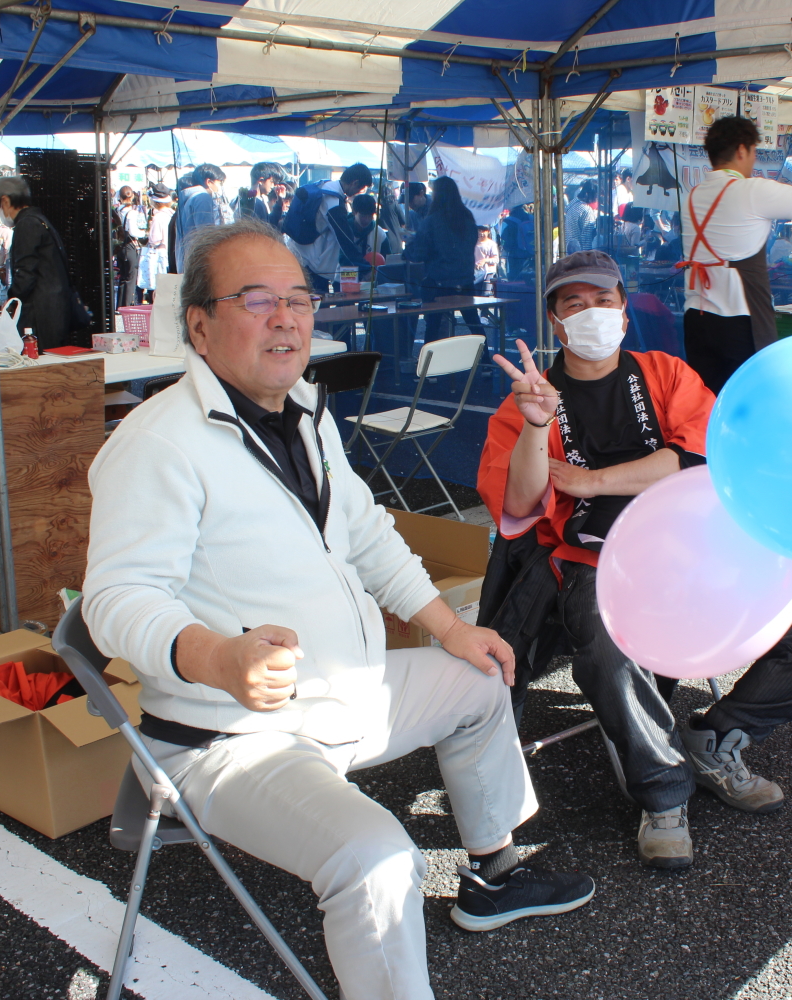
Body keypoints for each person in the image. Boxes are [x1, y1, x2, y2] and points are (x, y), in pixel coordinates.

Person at [82, 219, 595, 999]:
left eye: (299, 299)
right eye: (257, 301)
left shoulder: (307, 412)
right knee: (378, 859)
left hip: (342, 693)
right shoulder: (159, 443)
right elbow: (116, 599)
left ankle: (493, 874)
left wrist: (452, 628)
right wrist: (219, 657)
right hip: (233, 737)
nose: (286, 319)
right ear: (200, 325)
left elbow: (367, 532)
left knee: (483, 676)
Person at [477, 250, 792, 870]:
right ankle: (663, 794)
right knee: (607, 648)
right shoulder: (526, 402)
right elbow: (517, 504)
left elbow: (693, 457)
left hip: (699, 549)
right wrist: (535, 427)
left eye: (603, 301)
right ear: (555, 321)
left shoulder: (664, 373)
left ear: (624, 310)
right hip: (597, 563)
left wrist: (592, 481)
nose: (592, 313)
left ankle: (714, 738)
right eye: (574, 304)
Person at [678, 115, 792, 393]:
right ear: (742, 150)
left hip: (697, 317)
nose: (753, 160)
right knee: (751, 396)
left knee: (707, 400)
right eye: (754, 151)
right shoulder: (751, 190)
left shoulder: (693, 196)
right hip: (740, 318)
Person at [0, 175, 90, 351]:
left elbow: (25, 272)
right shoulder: (39, 220)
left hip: (41, 312)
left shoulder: (27, 224)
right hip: (54, 309)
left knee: (41, 358)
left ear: (5, 201)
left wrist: (11, 301)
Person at [403, 176, 486, 342]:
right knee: (474, 322)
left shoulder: (432, 220)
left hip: (438, 283)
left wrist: (408, 248)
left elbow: (419, 253)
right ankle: (485, 356)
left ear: (437, 195)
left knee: (432, 325)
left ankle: (429, 357)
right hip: (466, 280)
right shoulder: (467, 216)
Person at [285, 162, 372, 295]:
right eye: (361, 189)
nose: (359, 193)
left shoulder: (325, 185)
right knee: (318, 301)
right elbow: (345, 239)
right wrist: (365, 268)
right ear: (355, 183)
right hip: (311, 260)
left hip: (300, 251)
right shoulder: (334, 202)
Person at [174, 164, 228, 271]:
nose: (220, 187)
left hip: (187, 261)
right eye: (220, 182)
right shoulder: (202, 197)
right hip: (199, 263)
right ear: (209, 182)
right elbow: (206, 234)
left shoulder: (189, 197)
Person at [338, 193, 393, 278]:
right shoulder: (343, 230)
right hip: (344, 278)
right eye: (363, 216)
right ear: (354, 212)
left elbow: (388, 261)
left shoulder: (379, 233)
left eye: (370, 216)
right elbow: (342, 258)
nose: (367, 220)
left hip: (372, 280)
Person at [140, 183, 174, 301]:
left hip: (159, 256)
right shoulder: (172, 214)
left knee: (157, 290)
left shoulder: (158, 217)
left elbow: (154, 240)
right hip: (170, 254)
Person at [114, 186, 146, 307]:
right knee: (131, 277)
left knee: (123, 277)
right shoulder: (132, 212)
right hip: (129, 245)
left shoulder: (117, 210)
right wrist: (144, 234)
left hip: (120, 246)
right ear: (132, 196)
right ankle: (127, 305)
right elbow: (133, 231)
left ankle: (120, 305)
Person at [499, 203, 536, 280]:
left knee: (515, 280)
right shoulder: (532, 218)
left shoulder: (508, 221)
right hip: (532, 252)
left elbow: (505, 241)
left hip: (515, 255)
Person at [564, 181, 598, 255]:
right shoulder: (586, 210)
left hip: (569, 253)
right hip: (580, 256)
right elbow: (587, 239)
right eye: (595, 196)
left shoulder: (572, 205)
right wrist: (587, 257)